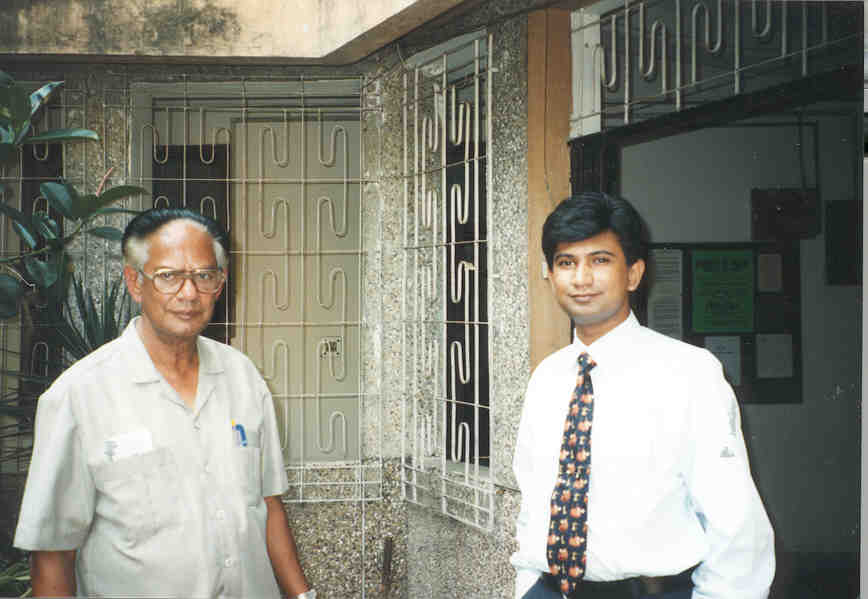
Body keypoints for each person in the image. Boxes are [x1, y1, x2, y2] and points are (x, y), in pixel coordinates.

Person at [14, 208, 317, 599]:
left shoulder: (243, 377)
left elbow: (268, 506)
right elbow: (53, 554)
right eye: (169, 276)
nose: (189, 294)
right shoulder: (78, 397)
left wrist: (303, 596)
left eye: (204, 276)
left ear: (220, 284)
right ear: (135, 283)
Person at [511, 193, 775, 599]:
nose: (581, 279)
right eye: (567, 262)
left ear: (633, 274)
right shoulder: (548, 378)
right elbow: (534, 501)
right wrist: (528, 586)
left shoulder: (689, 373)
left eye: (600, 260)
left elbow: (736, 523)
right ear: (549, 273)